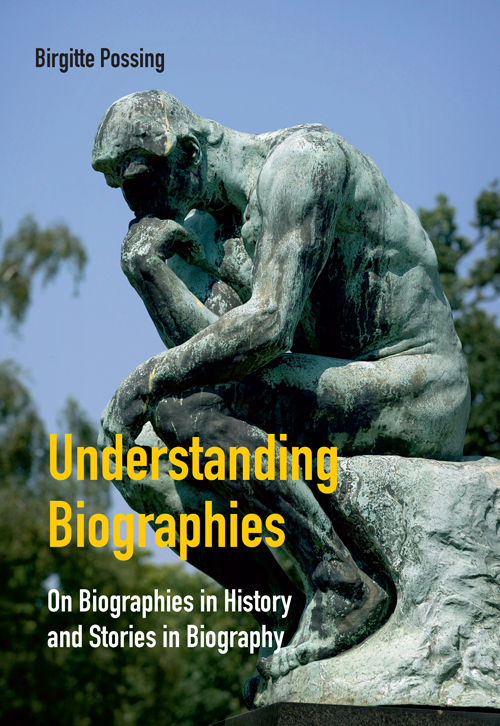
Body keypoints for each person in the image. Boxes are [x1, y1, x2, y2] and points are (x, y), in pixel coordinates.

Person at [92, 91, 470, 682]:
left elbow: (267, 330)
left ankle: (342, 585)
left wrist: (147, 380)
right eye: (120, 187)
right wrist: (150, 275)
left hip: (414, 385)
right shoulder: (208, 228)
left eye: (142, 180)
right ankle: (284, 608)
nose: (135, 203)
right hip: (330, 384)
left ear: (188, 151)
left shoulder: (300, 163)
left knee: (178, 406)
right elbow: (216, 351)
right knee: (137, 463)